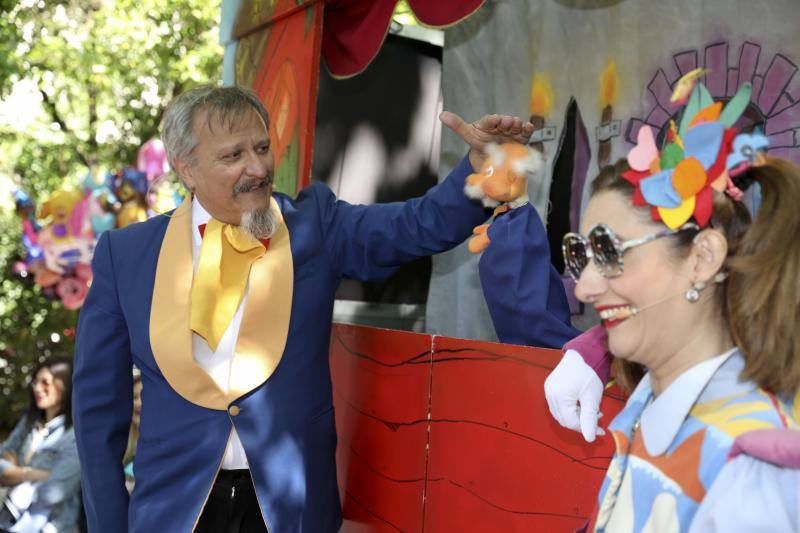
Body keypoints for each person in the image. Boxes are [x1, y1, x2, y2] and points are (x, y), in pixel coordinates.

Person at [72, 84, 534, 532]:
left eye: (261, 148)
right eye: (233, 156)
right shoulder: (125, 254)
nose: (257, 168)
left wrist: (484, 167)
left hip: (291, 510)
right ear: (186, 169)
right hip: (173, 512)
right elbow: (97, 414)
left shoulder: (315, 224)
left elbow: (418, 226)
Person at [489, 83, 800, 531]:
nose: (584, 288)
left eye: (611, 251)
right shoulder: (651, 401)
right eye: (581, 255)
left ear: (703, 257)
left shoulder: (748, 466)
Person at [0, 357, 81, 533]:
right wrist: (35, 474)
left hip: (50, 525)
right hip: (9, 520)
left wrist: (14, 474)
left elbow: (54, 490)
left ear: (65, 386)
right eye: (35, 382)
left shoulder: (76, 435)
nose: (37, 388)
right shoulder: (29, 421)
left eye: (45, 383)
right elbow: (3, 455)